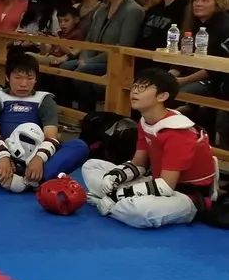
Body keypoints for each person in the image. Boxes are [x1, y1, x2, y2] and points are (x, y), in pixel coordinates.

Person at [83, 68, 217, 228]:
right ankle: (114, 202)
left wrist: (119, 193)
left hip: (186, 195)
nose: (135, 91)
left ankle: (111, 202)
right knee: (91, 166)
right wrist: (116, 176)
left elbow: (166, 186)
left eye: (143, 87)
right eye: (135, 86)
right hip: (156, 182)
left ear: (162, 96)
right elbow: (139, 164)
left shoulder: (178, 132)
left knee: (139, 211)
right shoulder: (146, 121)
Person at [0, 53, 89, 192]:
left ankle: (16, 180)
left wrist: (39, 159)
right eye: (17, 77)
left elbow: (51, 136)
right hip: (6, 154)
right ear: (7, 77)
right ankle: (35, 181)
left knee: (79, 146)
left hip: (39, 157)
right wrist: (3, 158)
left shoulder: (44, 100)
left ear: (36, 79)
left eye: (30, 78)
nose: (24, 83)